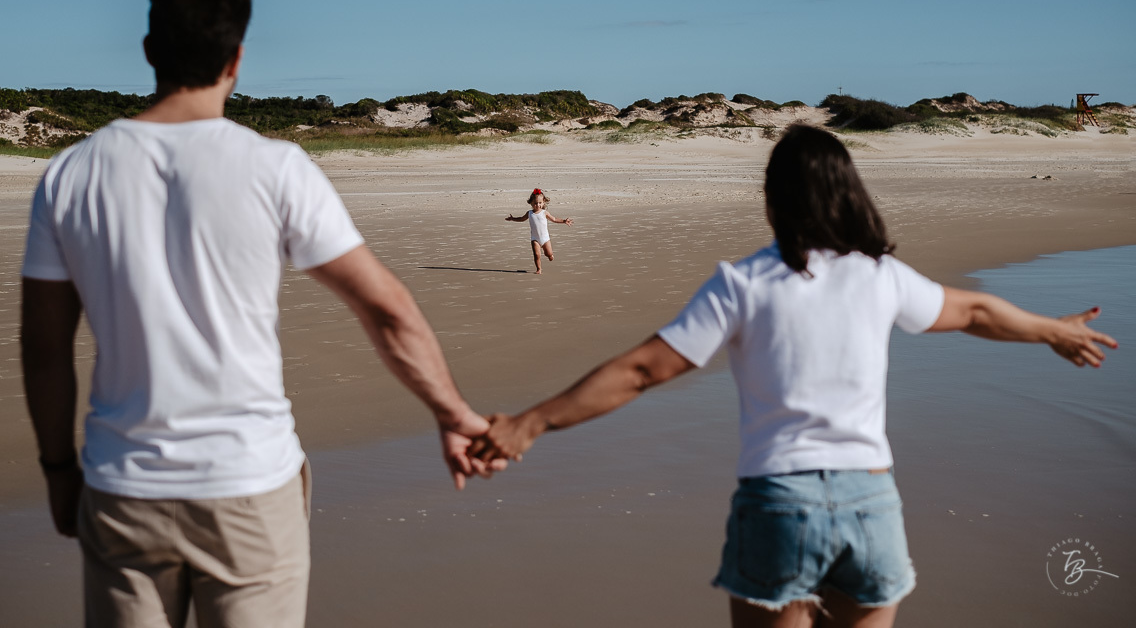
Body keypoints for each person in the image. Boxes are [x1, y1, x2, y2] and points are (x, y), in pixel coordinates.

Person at [473, 124, 1116, 628]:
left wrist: (529, 423)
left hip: (779, 505)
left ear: (772, 200)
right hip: (872, 506)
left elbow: (642, 370)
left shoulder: (744, 283)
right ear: (849, 193)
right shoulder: (879, 275)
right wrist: (1052, 330)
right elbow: (975, 310)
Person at [19, 0, 501, 628]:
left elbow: (43, 346)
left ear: (150, 49)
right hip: (247, 485)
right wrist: (451, 413)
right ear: (237, 58)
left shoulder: (71, 174)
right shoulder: (274, 167)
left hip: (123, 487)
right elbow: (385, 309)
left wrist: (56, 468)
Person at [504, 187, 573, 274]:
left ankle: (550, 255)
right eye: (535, 203)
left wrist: (564, 221)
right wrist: (513, 218)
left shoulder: (544, 212)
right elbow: (522, 219)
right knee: (537, 255)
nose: (538, 205)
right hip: (535, 238)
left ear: (543, 202)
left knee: (548, 253)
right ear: (531, 203)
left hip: (545, 239)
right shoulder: (529, 213)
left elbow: (554, 219)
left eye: (540, 203)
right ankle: (539, 269)